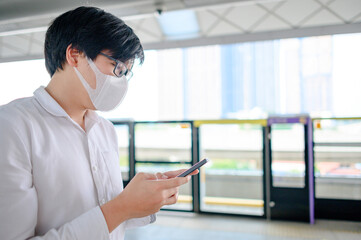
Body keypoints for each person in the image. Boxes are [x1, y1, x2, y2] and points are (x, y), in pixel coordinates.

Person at [0, 6, 197, 240]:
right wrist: (123, 206)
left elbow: (104, 215)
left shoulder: (105, 130)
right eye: (118, 67)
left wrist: (144, 198)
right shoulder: (12, 127)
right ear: (74, 55)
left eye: (126, 73)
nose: (121, 80)